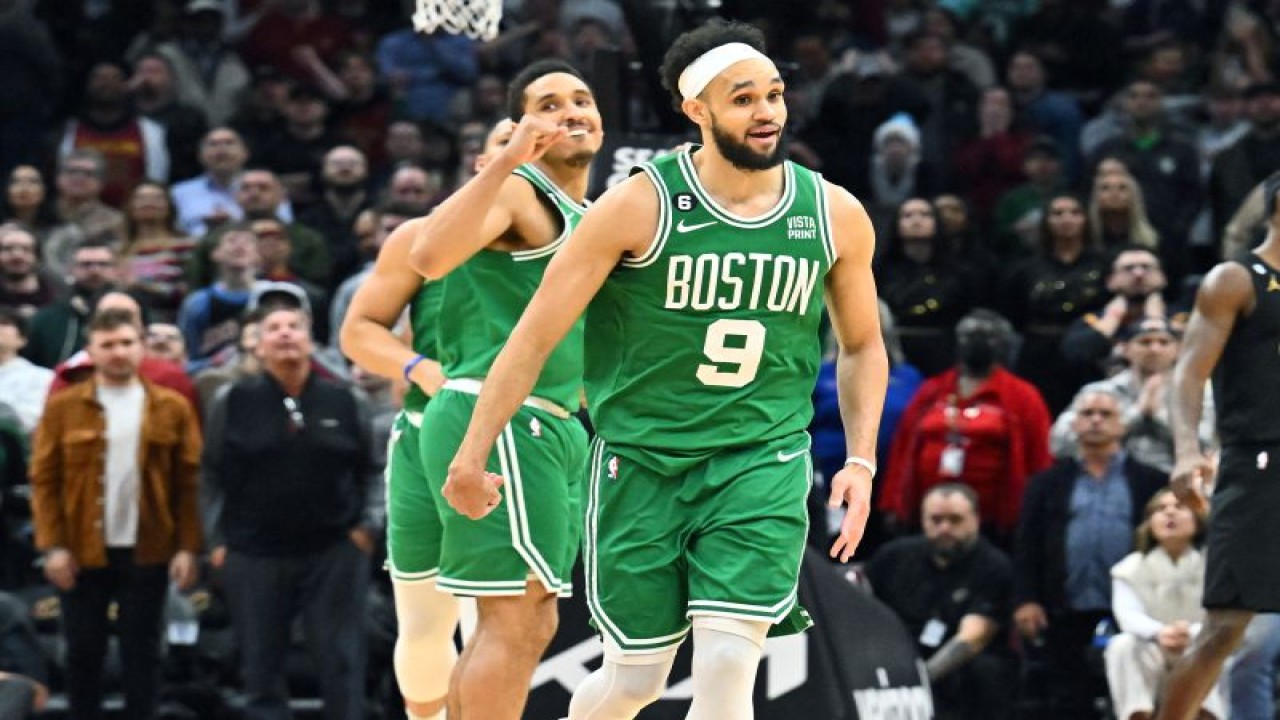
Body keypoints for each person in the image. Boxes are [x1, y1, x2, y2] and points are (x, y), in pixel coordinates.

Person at [426, 21, 887, 719]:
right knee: (633, 682)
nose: (766, 112)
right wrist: (471, 454)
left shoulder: (832, 212)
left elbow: (861, 346)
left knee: (728, 667)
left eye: (773, 94)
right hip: (642, 463)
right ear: (697, 109)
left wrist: (860, 458)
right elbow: (533, 337)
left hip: (759, 458)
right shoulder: (637, 205)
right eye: (743, 99)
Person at [399, 59, 602, 720]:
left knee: (526, 620)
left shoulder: (591, 213)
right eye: (549, 104)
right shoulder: (520, 191)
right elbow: (428, 256)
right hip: (504, 418)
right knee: (512, 621)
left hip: (552, 423)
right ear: (521, 125)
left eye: (582, 99)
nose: (571, 111)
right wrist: (508, 159)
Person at [337, 118, 513, 720]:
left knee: (493, 614)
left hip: (520, 432)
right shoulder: (424, 236)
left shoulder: (579, 230)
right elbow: (358, 332)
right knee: (424, 617)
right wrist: (417, 366)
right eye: (508, 141)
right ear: (480, 163)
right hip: (426, 430)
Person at [201, 300, 379, 720]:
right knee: (260, 666)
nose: (284, 333)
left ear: (311, 340)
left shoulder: (346, 399)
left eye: (294, 326)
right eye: (274, 328)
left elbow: (372, 469)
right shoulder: (232, 400)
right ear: (258, 345)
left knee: (341, 660)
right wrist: (217, 541)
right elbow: (210, 474)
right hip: (253, 552)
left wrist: (368, 525)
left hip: (334, 550)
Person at [29, 307, 202, 720]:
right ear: (91, 351)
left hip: (150, 546)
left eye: (127, 343)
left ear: (141, 347)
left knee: (143, 651)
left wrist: (187, 548)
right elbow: (44, 481)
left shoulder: (173, 407)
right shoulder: (63, 407)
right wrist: (52, 546)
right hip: (80, 547)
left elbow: (189, 483)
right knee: (82, 651)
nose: (118, 352)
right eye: (108, 345)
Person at [1153, 169, 1280, 720]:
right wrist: (1187, 450)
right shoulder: (1235, 279)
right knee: (1227, 626)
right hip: (1260, 461)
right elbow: (1187, 373)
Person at [1014, 387, 1167, 719]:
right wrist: (1027, 599)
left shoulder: (1151, 481)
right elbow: (1027, 545)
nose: (1096, 420)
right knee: (1068, 700)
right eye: (1087, 414)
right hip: (1064, 607)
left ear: (1123, 424)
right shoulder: (1046, 483)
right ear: (1074, 424)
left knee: (1133, 697)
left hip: (1133, 607)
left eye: (1106, 414)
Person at [867, 483, 1015, 720]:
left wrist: (919, 680)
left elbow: (972, 637)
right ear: (923, 520)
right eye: (936, 520)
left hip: (956, 661)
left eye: (955, 520)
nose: (945, 528)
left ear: (976, 519)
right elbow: (861, 608)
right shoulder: (892, 557)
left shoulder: (994, 566)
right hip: (898, 648)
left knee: (985, 670)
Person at [1105, 488, 1224, 720]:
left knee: (1218, 647)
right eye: (1161, 509)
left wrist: (1191, 632)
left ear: (1197, 519)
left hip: (1199, 642)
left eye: (1179, 507)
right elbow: (1128, 615)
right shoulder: (1128, 569)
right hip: (1153, 647)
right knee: (1122, 645)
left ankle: (1206, 714)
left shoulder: (1215, 566)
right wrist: (1160, 632)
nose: (1170, 513)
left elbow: (1221, 613)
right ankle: (1138, 714)